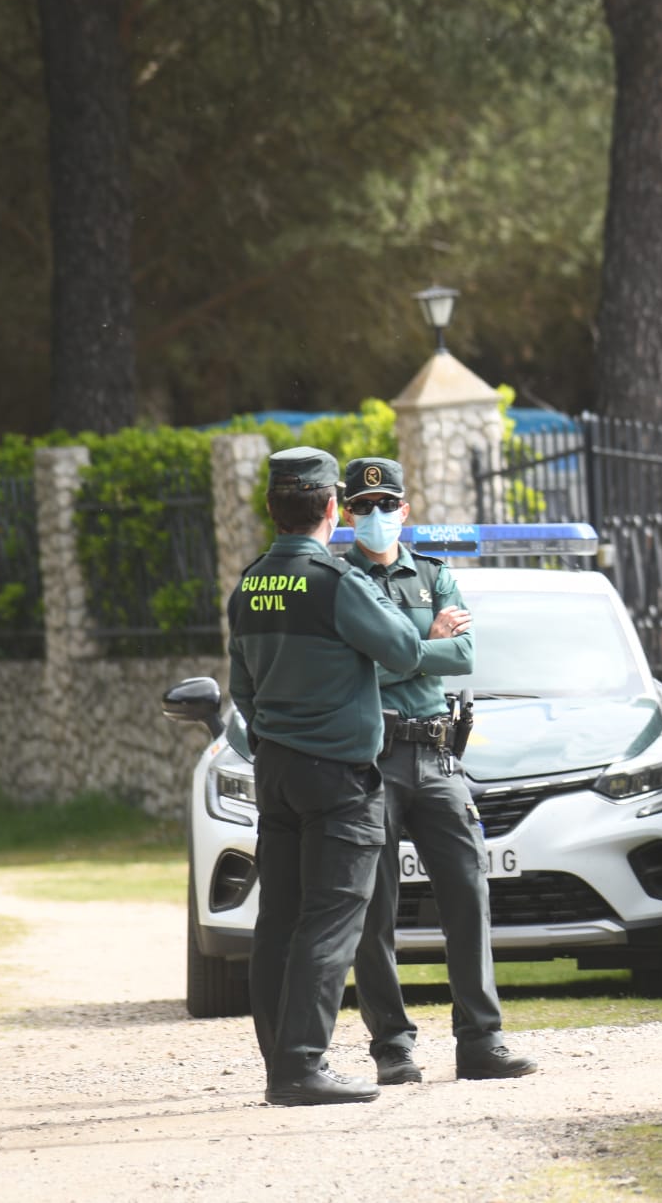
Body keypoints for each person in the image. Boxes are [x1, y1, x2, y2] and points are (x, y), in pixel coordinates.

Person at [227, 446, 425, 1107]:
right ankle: (302, 1066)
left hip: (277, 771)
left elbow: (243, 690)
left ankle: (279, 1059)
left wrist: (276, 733)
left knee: (278, 919)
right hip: (339, 778)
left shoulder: (249, 582)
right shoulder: (336, 583)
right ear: (332, 508)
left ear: (271, 508)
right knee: (332, 920)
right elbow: (404, 648)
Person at [341, 456, 537, 1085]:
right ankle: (392, 1048)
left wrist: (403, 644)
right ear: (346, 513)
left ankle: (481, 1041)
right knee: (375, 909)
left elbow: (464, 655)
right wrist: (426, 637)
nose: (375, 516)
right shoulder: (340, 581)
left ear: (405, 510)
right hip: (372, 756)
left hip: (438, 754)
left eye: (386, 505)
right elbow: (358, 667)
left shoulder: (433, 572)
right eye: (362, 506)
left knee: (468, 892)